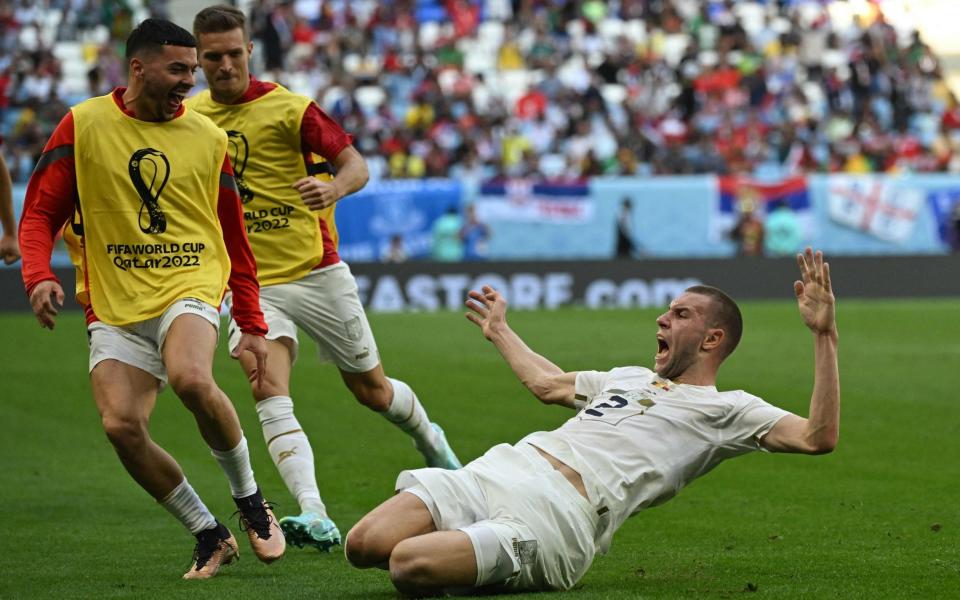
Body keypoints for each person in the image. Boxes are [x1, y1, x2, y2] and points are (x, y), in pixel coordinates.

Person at [345, 248, 840, 595]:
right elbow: (548, 383)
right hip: (502, 469)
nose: (662, 319)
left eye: (680, 314)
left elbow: (818, 437)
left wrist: (824, 335)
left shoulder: (728, 409)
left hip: (558, 518)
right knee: (363, 546)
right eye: (667, 311)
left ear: (712, 340)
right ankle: (473, 561)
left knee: (407, 565)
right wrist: (500, 331)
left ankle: (480, 559)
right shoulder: (627, 376)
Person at [188, 5, 461, 553]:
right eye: (212, 57)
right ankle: (314, 512)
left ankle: (432, 440)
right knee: (265, 382)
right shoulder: (190, 119)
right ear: (197, 60)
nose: (224, 65)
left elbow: (356, 165)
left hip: (317, 274)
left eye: (233, 54)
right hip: (250, 283)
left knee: (372, 391)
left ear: (249, 51)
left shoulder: (291, 108)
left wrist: (332, 190)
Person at [18, 19, 285, 580]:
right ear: (137, 69)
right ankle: (210, 533)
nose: (192, 81)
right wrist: (39, 274)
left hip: (190, 281)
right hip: (114, 300)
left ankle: (251, 500)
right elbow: (41, 212)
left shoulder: (208, 138)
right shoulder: (84, 124)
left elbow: (234, 237)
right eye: (179, 69)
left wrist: (252, 320)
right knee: (120, 426)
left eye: (194, 70)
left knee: (191, 377)